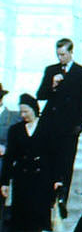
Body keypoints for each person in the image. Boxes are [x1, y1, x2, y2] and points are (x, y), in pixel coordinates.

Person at [35, 38, 82, 196]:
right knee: (47, 161)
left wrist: (80, 125)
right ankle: (46, 197)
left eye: (63, 54)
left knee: (65, 164)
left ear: (71, 52)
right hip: (50, 125)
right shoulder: (51, 70)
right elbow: (40, 95)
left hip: (69, 128)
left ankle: (61, 199)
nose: (60, 58)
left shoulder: (81, 72)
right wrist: (52, 85)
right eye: (58, 55)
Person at [0, 94, 55, 232]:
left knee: (38, 216)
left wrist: (57, 179)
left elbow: (54, 155)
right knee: (20, 217)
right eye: (21, 112)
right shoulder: (15, 130)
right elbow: (9, 157)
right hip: (22, 178)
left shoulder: (48, 127)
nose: (23, 115)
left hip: (41, 178)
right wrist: (5, 182)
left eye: (26, 111)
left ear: (34, 110)